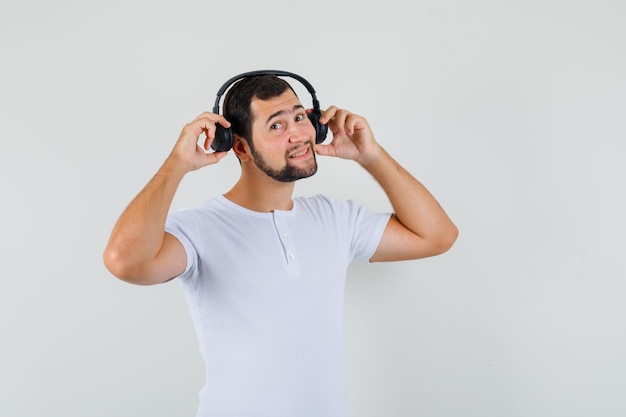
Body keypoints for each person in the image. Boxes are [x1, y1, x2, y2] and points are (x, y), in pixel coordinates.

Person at [103, 72, 458, 417]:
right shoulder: (199, 227)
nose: (299, 134)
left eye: (301, 117)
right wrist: (177, 163)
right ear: (240, 146)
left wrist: (371, 155)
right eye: (277, 125)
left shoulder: (335, 217)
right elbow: (125, 261)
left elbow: (437, 236)